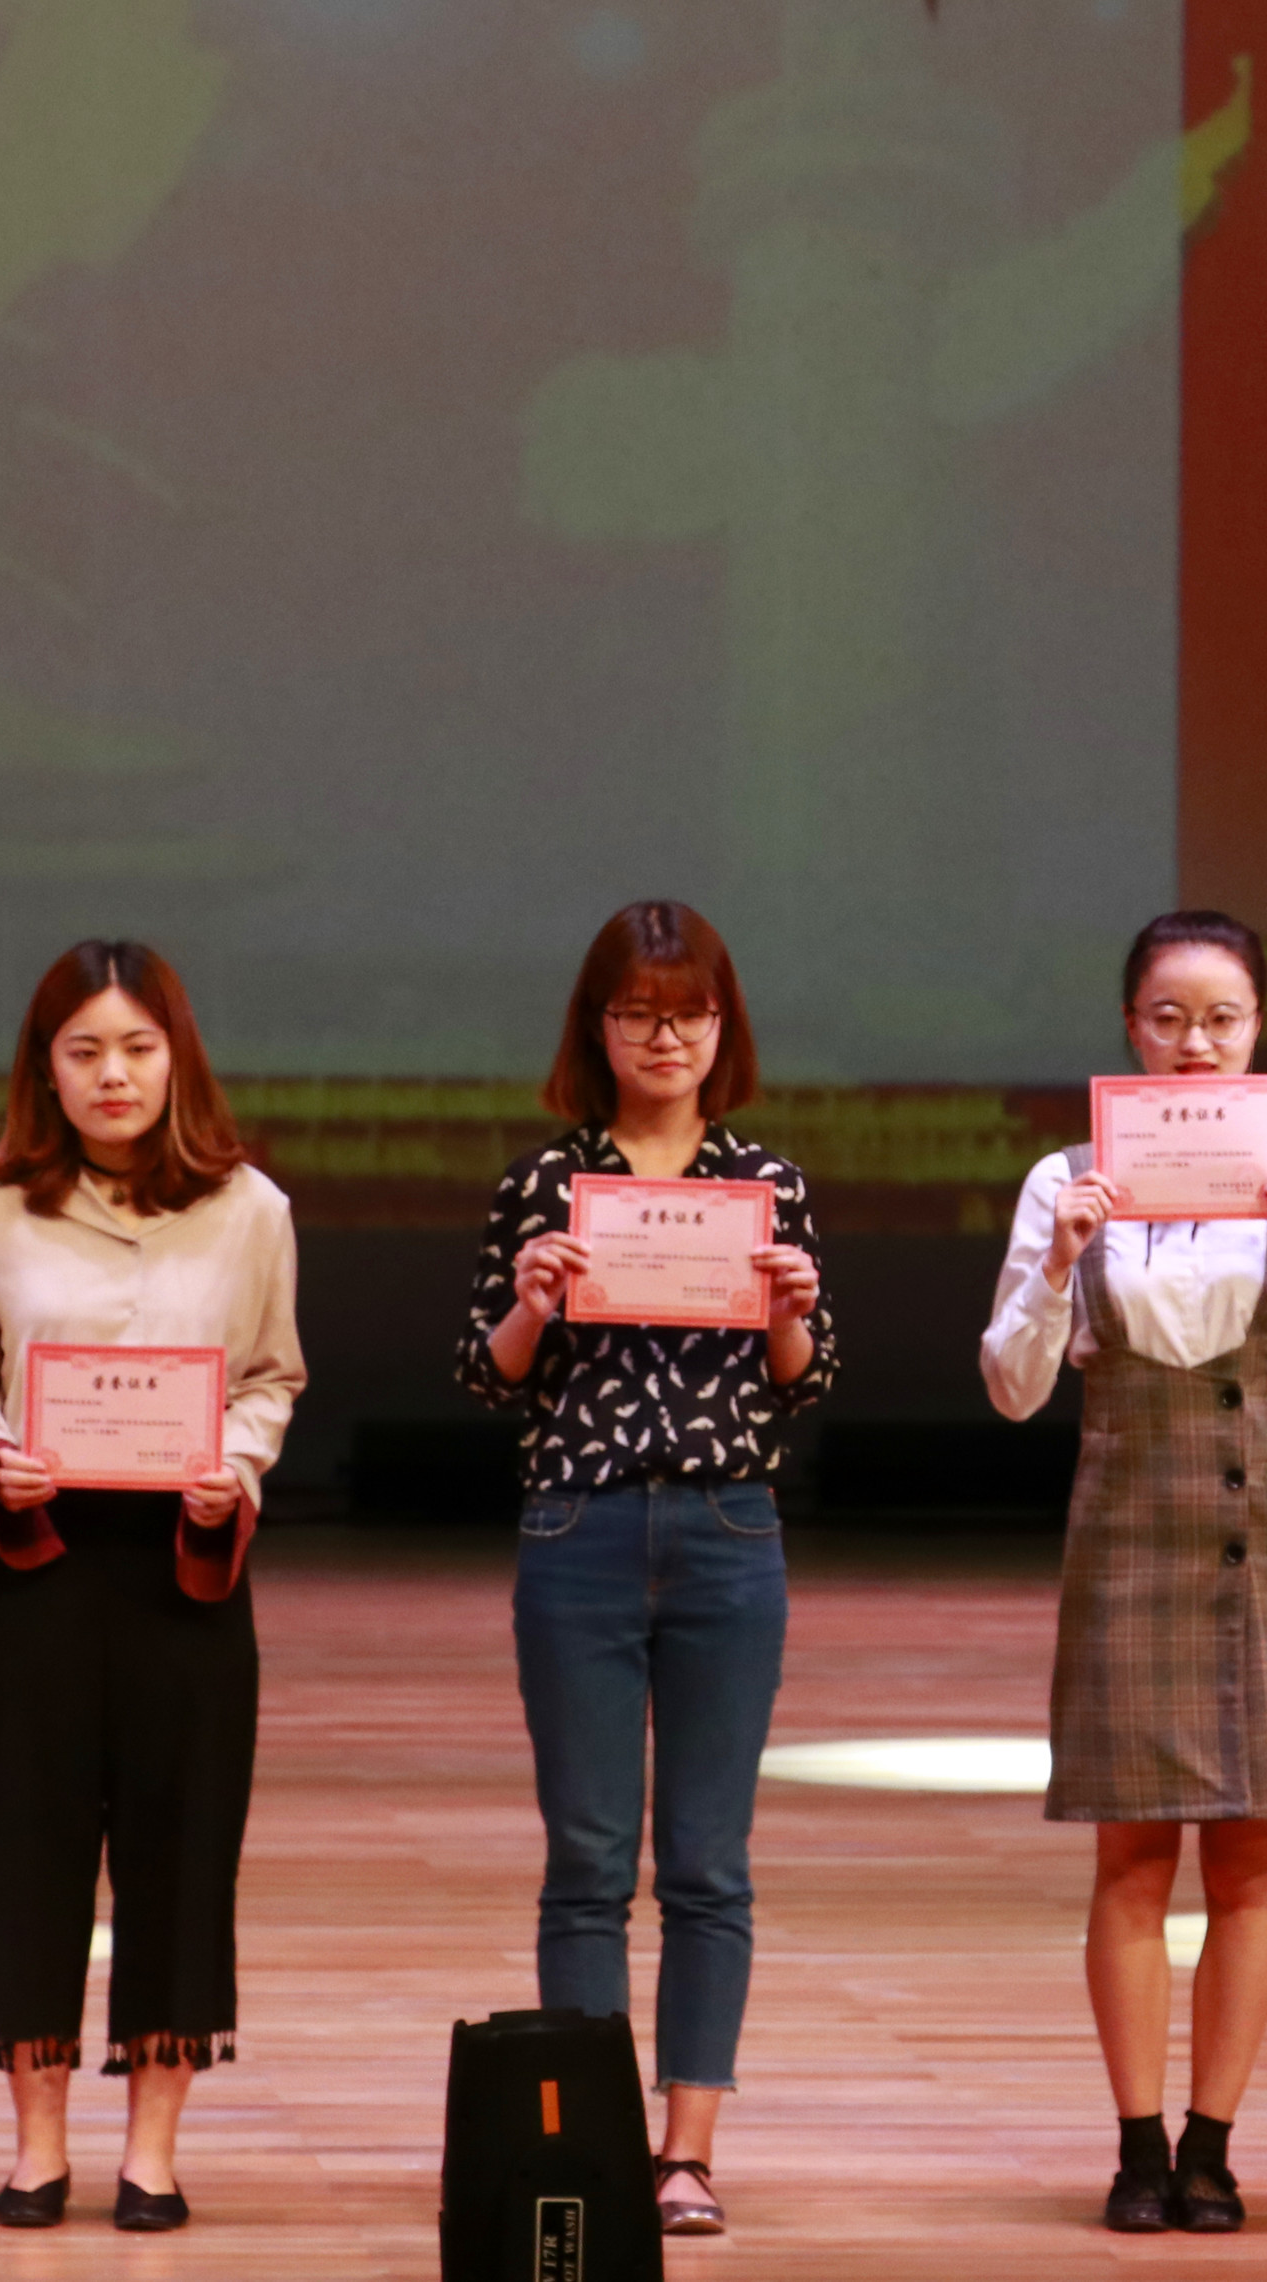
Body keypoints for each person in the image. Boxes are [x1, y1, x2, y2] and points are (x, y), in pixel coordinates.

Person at [979, 910, 1267, 2234]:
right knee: (1130, 1854)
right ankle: (1135, 2143)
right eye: (1168, 1017)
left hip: (1264, 1513)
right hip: (1127, 1518)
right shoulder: (1065, 1177)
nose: (1195, 1043)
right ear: (1130, 1027)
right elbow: (1010, 1386)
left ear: (1259, 1026)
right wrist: (1058, 1261)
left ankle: (1212, 2143)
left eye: (1222, 1018)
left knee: (1252, 1861)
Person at [457, 901, 836, 2241]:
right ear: (597, 1026)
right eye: (637, 1012)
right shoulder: (546, 1184)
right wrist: (531, 1301)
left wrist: (788, 1315)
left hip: (730, 1528)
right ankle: (593, 2140)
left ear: (723, 1026)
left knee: (708, 1861)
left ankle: (686, 2151)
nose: (664, 1036)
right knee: (587, 1854)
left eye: (689, 1012)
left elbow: (802, 1384)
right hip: (583, 1529)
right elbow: (489, 1376)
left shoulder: (765, 1182)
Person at [0, 940, 300, 2232]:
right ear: (47, 1070)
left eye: (138, 1046)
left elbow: (271, 1377)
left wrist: (235, 1464)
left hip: (186, 1571)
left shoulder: (251, 1208)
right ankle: (38, 2145)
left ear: (176, 1057)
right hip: (35, 1564)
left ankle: (152, 2148)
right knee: (24, 1844)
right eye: (83, 1050)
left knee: (180, 1851)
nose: (113, 1073)